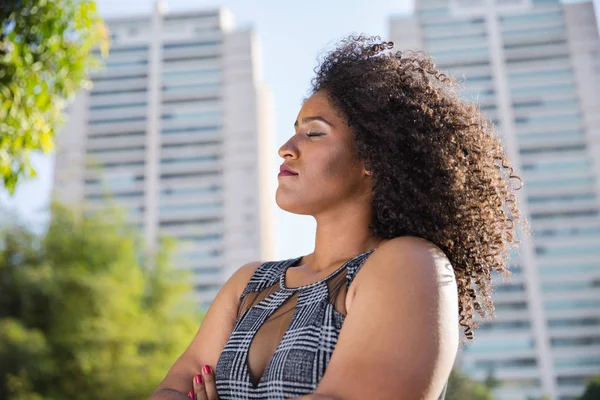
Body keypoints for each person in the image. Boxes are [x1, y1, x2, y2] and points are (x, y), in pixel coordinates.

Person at [148, 35, 524, 400]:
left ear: (373, 159)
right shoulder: (248, 284)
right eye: (294, 131)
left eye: (314, 133)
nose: (286, 149)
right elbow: (170, 389)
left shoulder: (411, 264)